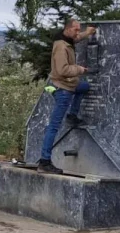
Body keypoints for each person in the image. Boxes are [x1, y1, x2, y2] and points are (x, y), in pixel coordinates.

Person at [37, 18, 96, 174]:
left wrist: (88, 32)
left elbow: (77, 38)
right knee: (53, 127)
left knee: (84, 87)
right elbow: (63, 70)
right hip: (63, 89)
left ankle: (72, 115)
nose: (77, 32)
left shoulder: (67, 38)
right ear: (68, 28)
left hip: (71, 85)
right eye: (76, 29)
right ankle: (44, 161)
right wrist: (79, 69)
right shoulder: (61, 47)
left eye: (79, 29)